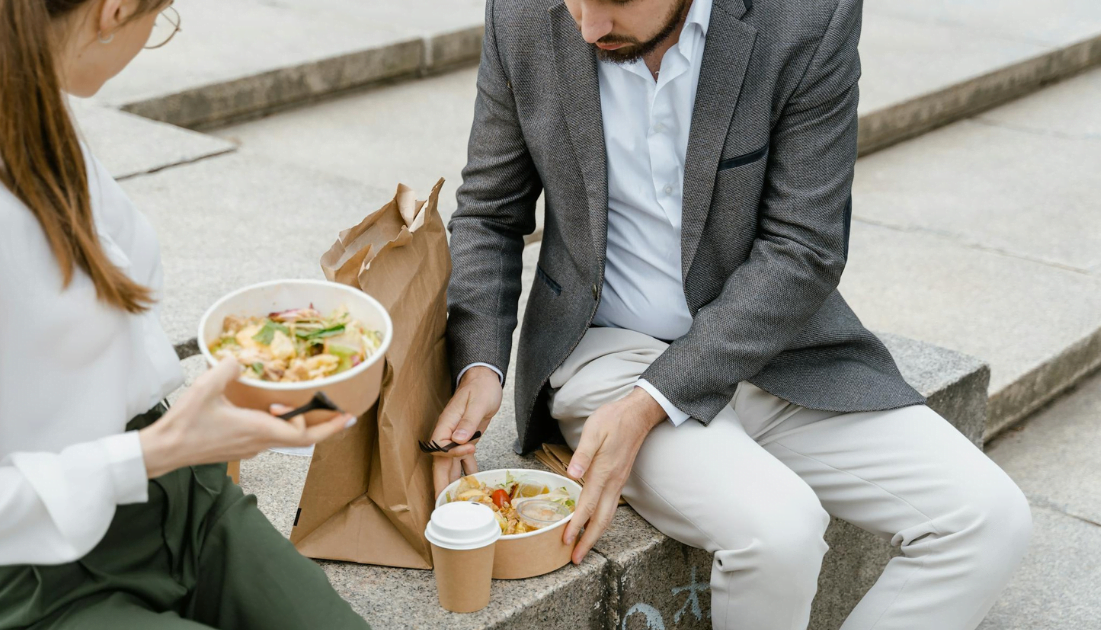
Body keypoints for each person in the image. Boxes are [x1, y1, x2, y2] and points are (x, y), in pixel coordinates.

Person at [429, 0, 1033, 628]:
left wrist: (654, 401)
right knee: (779, 533)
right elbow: (488, 213)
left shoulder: (806, 18)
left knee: (989, 519)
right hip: (607, 353)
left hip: (777, 349)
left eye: (615, 2)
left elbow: (804, 246)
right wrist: (480, 362)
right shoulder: (523, 15)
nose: (587, 28)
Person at [0, 1, 369, 628]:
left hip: (188, 502)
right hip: (44, 578)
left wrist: (247, 391)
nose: (156, 30)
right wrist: (151, 452)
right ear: (115, 9)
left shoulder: (28, 105)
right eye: (164, 15)